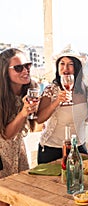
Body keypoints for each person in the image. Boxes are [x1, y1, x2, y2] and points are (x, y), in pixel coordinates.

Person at [36, 45, 88, 164]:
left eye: (70, 64)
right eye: (62, 63)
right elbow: (39, 119)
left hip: (79, 146)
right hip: (52, 149)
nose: (66, 68)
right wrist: (57, 102)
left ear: (77, 67)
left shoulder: (86, 90)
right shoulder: (50, 90)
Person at [0, 48, 39, 206]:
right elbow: (6, 135)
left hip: (19, 152)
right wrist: (23, 113)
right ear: (4, 72)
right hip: (1, 157)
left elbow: (36, 123)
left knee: (22, 199)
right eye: (18, 68)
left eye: (27, 66)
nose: (25, 71)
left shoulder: (30, 89)